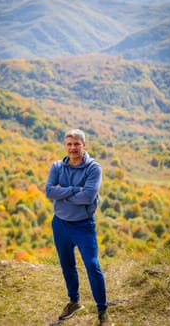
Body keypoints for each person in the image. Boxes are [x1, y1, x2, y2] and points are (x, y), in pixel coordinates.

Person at [45, 129, 112, 326]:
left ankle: (103, 311)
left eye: (77, 144)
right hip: (60, 224)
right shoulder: (57, 166)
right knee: (67, 266)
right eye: (69, 144)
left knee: (92, 265)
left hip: (83, 226)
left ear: (84, 146)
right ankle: (74, 302)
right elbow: (49, 191)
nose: (73, 148)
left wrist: (62, 193)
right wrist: (75, 190)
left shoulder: (93, 168)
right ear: (65, 146)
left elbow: (88, 197)